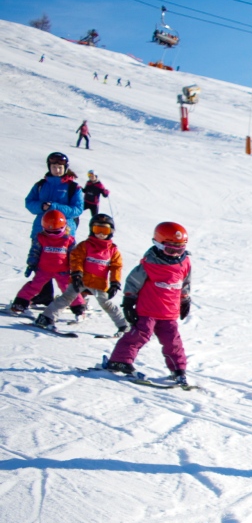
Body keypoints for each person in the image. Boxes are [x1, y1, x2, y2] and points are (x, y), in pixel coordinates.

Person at [105, 222, 192, 385]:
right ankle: (120, 360)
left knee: (173, 341)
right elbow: (133, 282)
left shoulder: (185, 262)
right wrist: (129, 300)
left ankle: (178, 369)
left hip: (169, 313)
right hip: (148, 310)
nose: (175, 254)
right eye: (170, 249)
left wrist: (185, 299)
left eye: (179, 249)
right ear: (158, 245)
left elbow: (185, 282)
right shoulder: (150, 263)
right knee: (139, 335)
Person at [34, 213, 128, 334]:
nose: (100, 233)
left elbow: (116, 267)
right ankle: (46, 317)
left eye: (104, 230)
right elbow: (76, 258)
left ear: (111, 231)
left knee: (106, 304)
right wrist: (77, 273)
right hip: (81, 280)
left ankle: (123, 325)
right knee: (66, 298)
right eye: (97, 229)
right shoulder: (85, 245)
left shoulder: (113, 250)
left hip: (98, 283)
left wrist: (115, 283)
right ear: (91, 229)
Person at [20, 152, 86, 310]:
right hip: (41, 230)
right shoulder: (41, 185)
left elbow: (77, 209)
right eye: (54, 167)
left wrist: (54, 207)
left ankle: (73, 298)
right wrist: (41, 207)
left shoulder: (73, 187)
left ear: (65, 168)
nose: (57, 170)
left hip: (64, 233)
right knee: (41, 264)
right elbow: (29, 202)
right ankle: (44, 295)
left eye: (60, 167)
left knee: (64, 266)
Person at [9, 210, 83, 315]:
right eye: (49, 232)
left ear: (64, 228)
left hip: (63, 271)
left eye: (56, 232)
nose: (52, 235)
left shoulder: (68, 240)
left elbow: (74, 256)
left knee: (69, 289)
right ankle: (20, 303)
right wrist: (32, 264)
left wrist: (76, 271)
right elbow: (35, 251)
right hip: (44, 270)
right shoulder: (41, 238)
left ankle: (79, 308)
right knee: (33, 286)